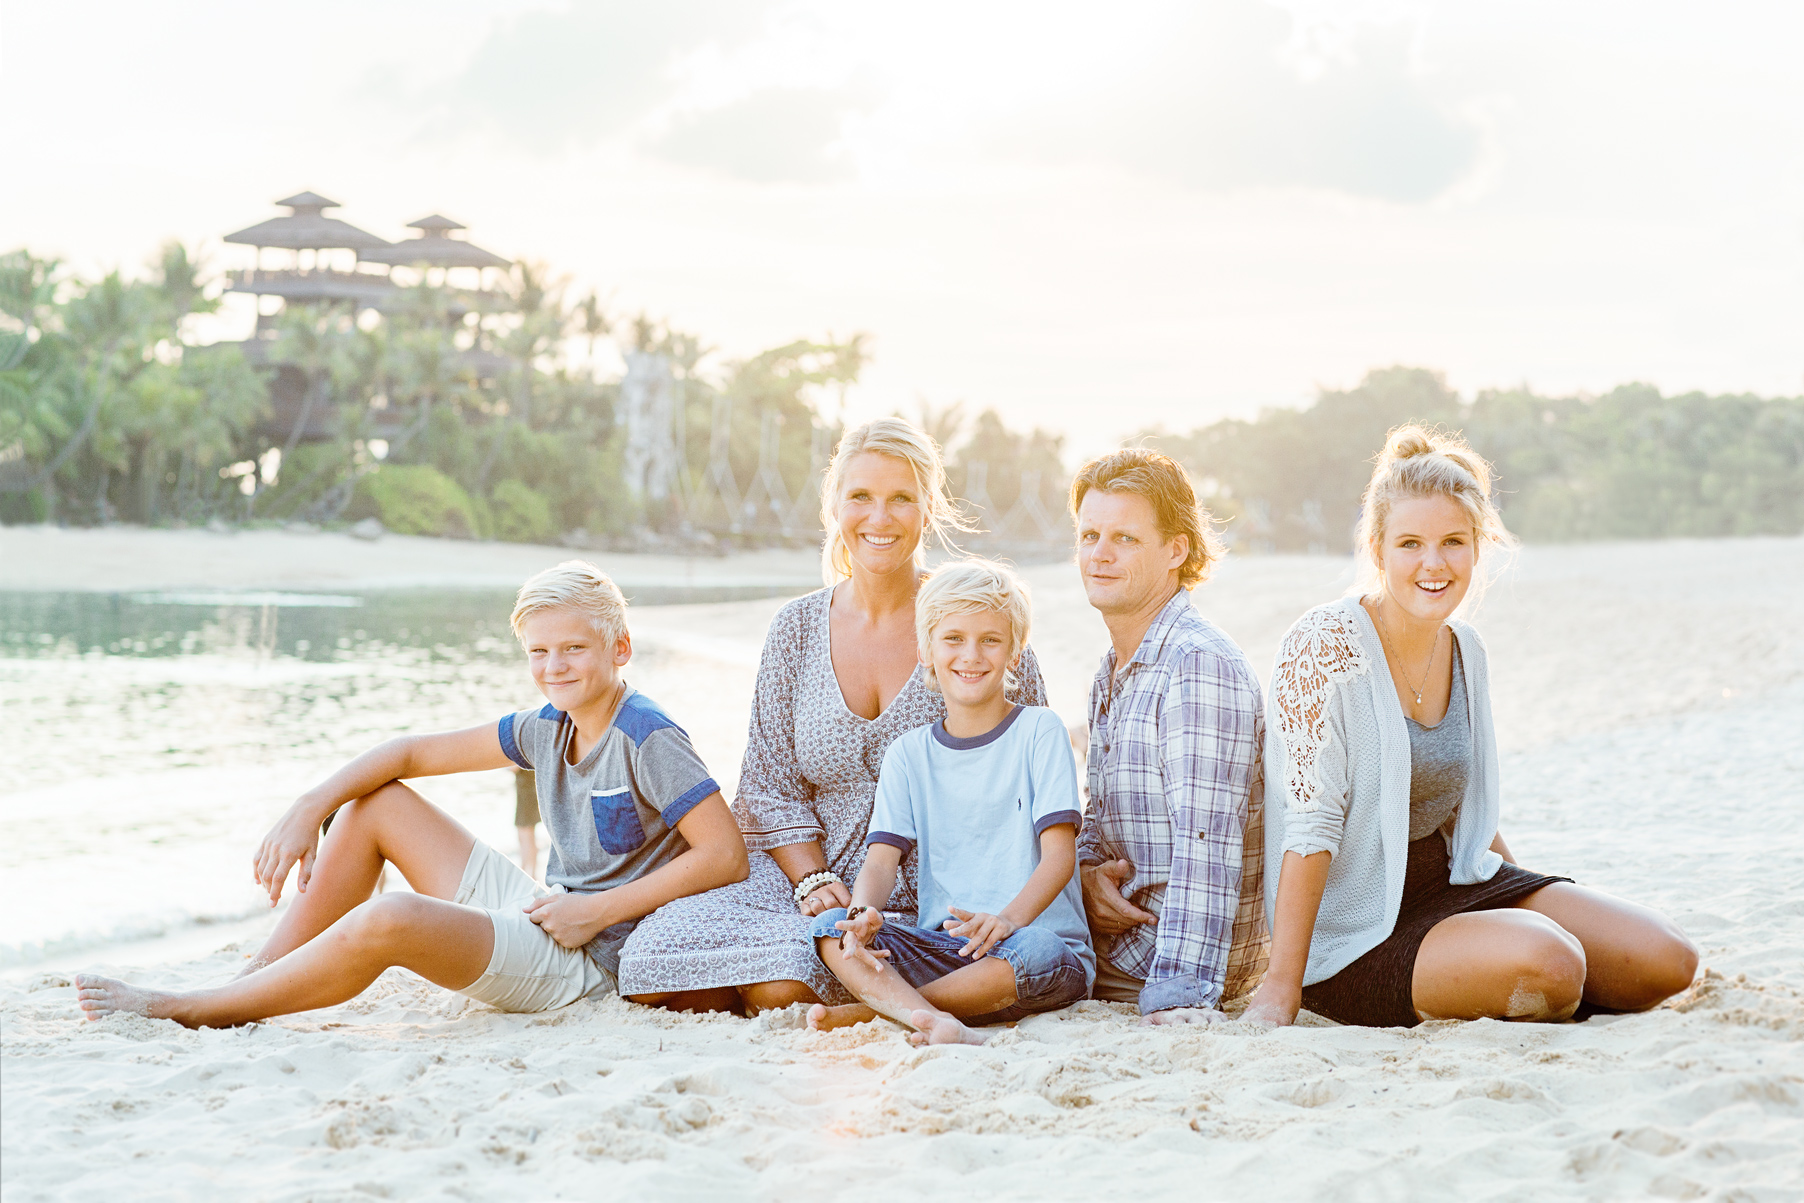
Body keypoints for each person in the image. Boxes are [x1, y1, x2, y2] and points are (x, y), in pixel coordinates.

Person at [75, 562, 748, 1026]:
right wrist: (310, 806)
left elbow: (724, 855)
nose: (554, 667)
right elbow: (408, 752)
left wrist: (596, 911)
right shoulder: (547, 725)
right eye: (539, 652)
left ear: (620, 647)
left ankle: (197, 1007)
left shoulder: (647, 734)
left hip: (595, 960)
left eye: (573, 647)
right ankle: (247, 979)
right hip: (549, 915)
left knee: (391, 916)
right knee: (377, 802)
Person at [1241, 426, 1698, 1028]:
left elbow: (1460, 804)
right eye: (1410, 543)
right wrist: (1283, 983)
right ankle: (1510, 972)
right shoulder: (1323, 644)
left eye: (1453, 541)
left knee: (1666, 960)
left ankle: (1511, 966)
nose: (1434, 564)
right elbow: (1309, 822)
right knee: (1551, 963)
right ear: (1377, 548)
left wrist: (1517, 890)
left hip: (1451, 881)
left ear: (1478, 548)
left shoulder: (1465, 648)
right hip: (1353, 930)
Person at [617, 418, 1048, 1012]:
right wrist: (813, 880)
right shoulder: (795, 630)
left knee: (782, 988)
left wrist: (1075, 866)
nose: (880, 517)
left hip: (932, 883)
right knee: (654, 963)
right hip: (804, 869)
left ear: (928, 510)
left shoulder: (971, 624)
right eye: (861, 498)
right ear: (834, 507)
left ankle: (834, 985)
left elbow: (1031, 763)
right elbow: (768, 783)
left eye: (901, 499)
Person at [805, 560, 1092, 1045]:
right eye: (953, 638)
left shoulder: (1040, 731)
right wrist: (863, 915)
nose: (971, 655)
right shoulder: (909, 754)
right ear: (926, 652)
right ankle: (934, 1017)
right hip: (948, 947)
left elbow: (1060, 858)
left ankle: (884, 1011)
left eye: (991, 640)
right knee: (832, 927)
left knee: (1037, 951)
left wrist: (1006, 921)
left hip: (1032, 947)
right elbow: (881, 862)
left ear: (1015, 652)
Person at [1071, 448, 1269, 1023]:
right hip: (1121, 939)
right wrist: (1085, 877)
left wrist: (1179, 992)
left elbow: (1208, 842)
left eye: (1124, 539)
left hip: (1167, 957)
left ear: (1176, 550)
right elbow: (1100, 813)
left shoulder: (1196, 664)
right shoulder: (1113, 667)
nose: (1099, 555)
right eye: (1089, 536)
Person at [514, 768, 541, 877]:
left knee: (525, 835)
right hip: (529, 791)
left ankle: (526, 871)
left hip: (526, 794)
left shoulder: (524, 751)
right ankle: (530, 872)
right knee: (528, 836)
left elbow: (513, 767)